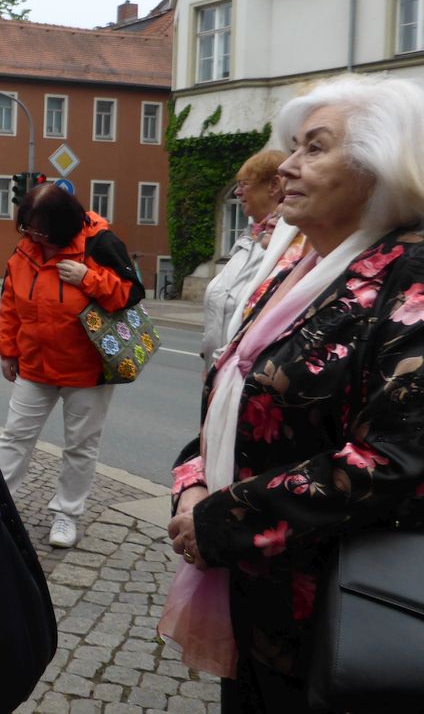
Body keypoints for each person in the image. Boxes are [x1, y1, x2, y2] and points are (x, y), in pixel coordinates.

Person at [164, 73, 424, 711]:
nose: (287, 166)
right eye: (294, 147)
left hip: (344, 601)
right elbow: (230, 396)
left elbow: (395, 461)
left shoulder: (411, 276)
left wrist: (221, 519)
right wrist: (193, 481)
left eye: (315, 147)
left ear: (380, 166)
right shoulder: (300, 267)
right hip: (258, 597)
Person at [0, 184, 142, 548]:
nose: (33, 236)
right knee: (14, 437)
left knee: (80, 446)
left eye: (41, 231)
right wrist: (7, 350)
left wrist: (87, 279)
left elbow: (131, 293)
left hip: (86, 370)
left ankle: (66, 515)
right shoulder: (25, 250)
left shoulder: (100, 244)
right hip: (35, 364)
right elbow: (11, 302)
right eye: (27, 227)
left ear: (63, 226)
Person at [201, 150, 287, 370]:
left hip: (249, 375)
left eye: (244, 184)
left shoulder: (288, 244)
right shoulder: (248, 237)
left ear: (274, 186)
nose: (237, 192)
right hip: (219, 370)